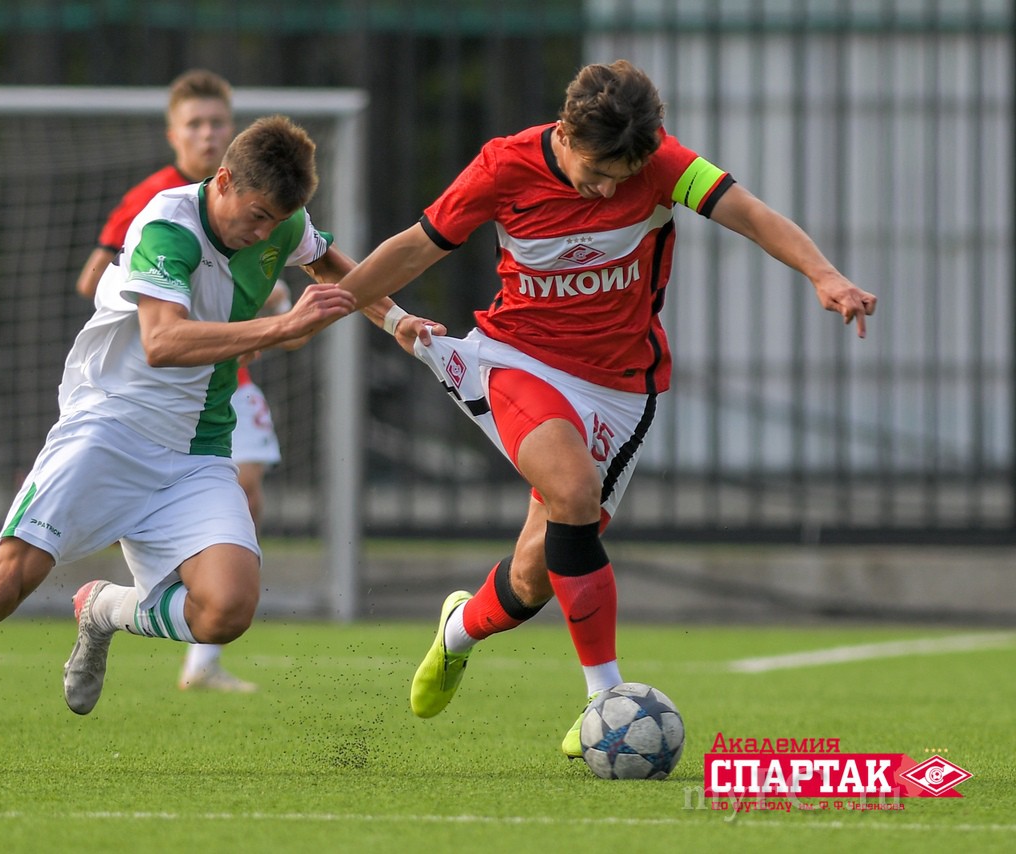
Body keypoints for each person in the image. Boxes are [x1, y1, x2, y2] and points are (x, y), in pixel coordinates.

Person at [0, 115, 397, 771]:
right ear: (223, 181)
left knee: (229, 609)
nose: (265, 233)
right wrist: (280, 326)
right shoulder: (168, 225)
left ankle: (105, 608)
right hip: (109, 429)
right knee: (4, 584)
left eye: (277, 222)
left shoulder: (283, 222)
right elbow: (163, 341)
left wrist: (397, 321)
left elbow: (331, 267)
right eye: (257, 216)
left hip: (197, 450)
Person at [336, 60, 877, 758]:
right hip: (517, 359)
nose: (609, 188)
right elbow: (415, 248)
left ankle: (459, 630)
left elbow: (751, 214)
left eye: (624, 176)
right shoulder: (503, 167)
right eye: (596, 172)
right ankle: (607, 699)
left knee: (534, 575)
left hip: (620, 388)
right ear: (564, 135)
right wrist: (329, 307)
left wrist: (824, 275)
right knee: (573, 489)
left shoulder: (666, 164)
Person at [75, 68, 275, 692]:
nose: (208, 134)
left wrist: (267, 307)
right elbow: (93, 280)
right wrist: (165, 296)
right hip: (164, 389)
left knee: (248, 492)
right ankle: (149, 593)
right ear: (173, 134)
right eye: (195, 124)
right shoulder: (154, 202)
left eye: (218, 122)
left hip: (230, 379)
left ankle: (204, 657)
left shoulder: (258, 201)